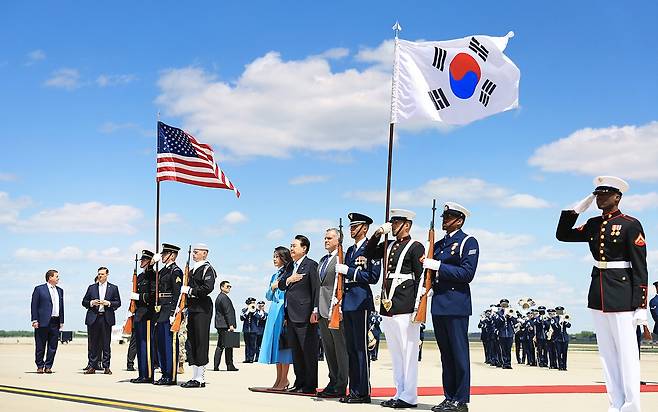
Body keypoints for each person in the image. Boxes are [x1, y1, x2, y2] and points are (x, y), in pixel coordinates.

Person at [556, 176, 648, 412]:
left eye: (605, 194)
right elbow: (563, 234)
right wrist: (577, 209)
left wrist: (641, 305)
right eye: (597, 194)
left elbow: (640, 266)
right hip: (598, 292)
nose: (600, 198)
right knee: (607, 356)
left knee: (627, 355)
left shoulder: (630, 224)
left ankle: (631, 406)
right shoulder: (594, 223)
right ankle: (615, 404)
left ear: (617, 197)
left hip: (622, 293)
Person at [423, 202, 479, 412]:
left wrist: (438, 266)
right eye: (444, 217)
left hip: (456, 305)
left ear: (459, 220)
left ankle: (461, 399)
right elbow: (431, 274)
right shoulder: (437, 245)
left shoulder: (468, 242)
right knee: (446, 355)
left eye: (448, 217)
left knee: (459, 354)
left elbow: (467, 274)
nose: (444, 221)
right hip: (439, 304)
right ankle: (449, 397)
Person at [365, 208, 424, 409]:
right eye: (391, 222)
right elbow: (368, 252)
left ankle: (410, 396)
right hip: (388, 305)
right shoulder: (388, 245)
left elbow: (421, 279)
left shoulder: (416, 247)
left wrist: (418, 308)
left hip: (406, 304)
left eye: (396, 223)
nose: (393, 226)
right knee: (396, 353)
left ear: (406, 225)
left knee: (408, 352)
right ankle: (400, 392)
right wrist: (377, 233)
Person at [335, 212, 381, 403]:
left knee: (361, 349)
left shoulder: (372, 249)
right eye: (351, 227)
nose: (352, 229)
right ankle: (354, 390)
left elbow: (373, 277)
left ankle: (363, 392)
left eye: (355, 226)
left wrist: (349, 271)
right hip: (348, 301)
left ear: (365, 228)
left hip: (361, 300)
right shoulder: (350, 250)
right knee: (352, 349)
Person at [278, 234, 320, 395]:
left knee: (307, 351)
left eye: (294, 246)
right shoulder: (290, 267)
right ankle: (299, 382)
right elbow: (281, 285)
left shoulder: (311, 265)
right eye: (291, 246)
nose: (291, 249)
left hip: (305, 315)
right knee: (296, 352)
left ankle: (310, 384)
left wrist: (315, 310)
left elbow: (316, 289)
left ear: (304, 248)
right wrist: (290, 279)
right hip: (291, 315)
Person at [316, 228, 349, 399]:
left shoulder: (342, 258)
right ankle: (333, 380)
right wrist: (315, 308)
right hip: (322, 310)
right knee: (329, 349)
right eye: (325, 238)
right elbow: (319, 286)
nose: (326, 241)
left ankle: (341, 384)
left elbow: (344, 284)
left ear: (338, 240)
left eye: (329, 238)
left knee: (340, 349)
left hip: (336, 309)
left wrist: (342, 306)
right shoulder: (323, 260)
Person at [180, 243, 217, 388]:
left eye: (197, 252)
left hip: (202, 308)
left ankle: (200, 378)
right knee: (192, 342)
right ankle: (194, 376)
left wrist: (189, 290)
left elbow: (207, 288)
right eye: (193, 252)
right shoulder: (192, 270)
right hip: (192, 307)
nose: (194, 254)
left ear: (204, 254)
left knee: (201, 342)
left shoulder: (208, 269)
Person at [258, 246, 293, 390]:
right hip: (273, 311)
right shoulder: (275, 275)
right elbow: (268, 296)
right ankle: (279, 378)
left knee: (284, 346)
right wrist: (272, 288)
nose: (274, 259)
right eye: (273, 256)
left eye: (277, 256)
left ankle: (284, 379)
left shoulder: (289, 273)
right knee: (276, 347)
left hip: (283, 311)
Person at [153, 243, 183, 385]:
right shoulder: (163, 271)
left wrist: (174, 313)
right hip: (161, 311)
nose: (162, 256)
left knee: (169, 345)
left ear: (172, 255)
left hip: (169, 310)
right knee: (161, 344)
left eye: (164, 254)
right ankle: (164, 373)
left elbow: (177, 294)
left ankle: (170, 376)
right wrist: (153, 263)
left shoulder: (175, 271)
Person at [82, 266, 121, 375]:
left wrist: (108, 303)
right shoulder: (91, 288)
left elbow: (118, 303)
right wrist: (91, 303)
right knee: (93, 344)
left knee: (106, 344)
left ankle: (106, 367)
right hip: (93, 318)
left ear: (107, 275)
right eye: (99, 274)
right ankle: (92, 366)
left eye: (102, 274)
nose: (100, 276)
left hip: (106, 318)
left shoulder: (113, 288)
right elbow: (84, 301)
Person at [129, 250, 156, 384]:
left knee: (147, 345)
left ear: (150, 261)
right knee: (140, 345)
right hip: (139, 314)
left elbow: (153, 296)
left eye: (144, 260)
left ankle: (148, 374)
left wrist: (139, 297)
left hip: (148, 315)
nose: (141, 262)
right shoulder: (139, 277)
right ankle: (142, 373)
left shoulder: (153, 276)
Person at [31, 269, 64, 374]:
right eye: (56, 276)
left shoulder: (60, 290)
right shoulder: (39, 289)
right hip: (42, 322)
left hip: (55, 321)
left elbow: (61, 306)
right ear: (50, 277)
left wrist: (61, 320)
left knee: (53, 346)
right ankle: (40, 366)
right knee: (40, 345)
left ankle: (48, 366)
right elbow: (34, 305)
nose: (58, 278)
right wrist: (34, 319)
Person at [214, 280, 238, 371]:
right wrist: (231, 325)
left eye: (230, 286)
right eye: (227, 286)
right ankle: (229, 365)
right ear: (221, 287)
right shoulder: (223, 298)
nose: (229, 288)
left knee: (220, 345)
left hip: (221, 325)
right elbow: (228, 312)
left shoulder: (220, 297)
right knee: (228, 346)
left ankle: (217, 366)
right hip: (225, 325)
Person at [241, 297, 259, 363]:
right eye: (251, 302)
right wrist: (248, 311)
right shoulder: (244, 310)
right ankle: (247, 358)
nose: (252, 304)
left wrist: (253, 312)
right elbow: (241, 318)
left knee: (253, 344)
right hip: (246, 330)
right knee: (247, 344)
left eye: (253, 302)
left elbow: (259, 317)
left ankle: (251, 358)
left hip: (253, 330)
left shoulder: (256, 310)